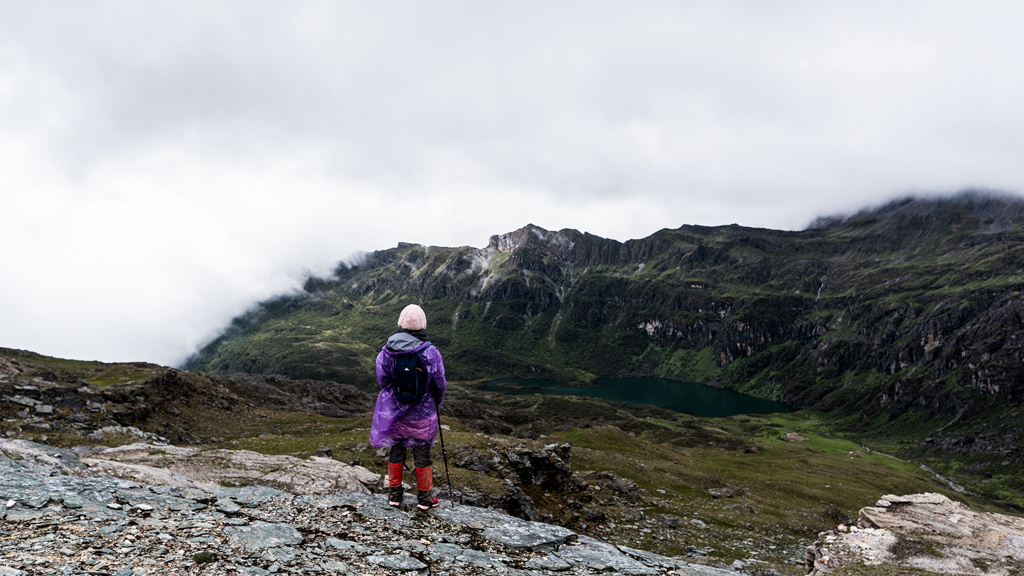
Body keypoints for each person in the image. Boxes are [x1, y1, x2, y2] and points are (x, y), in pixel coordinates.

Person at [369, 304, 447, 511]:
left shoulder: (387, 351)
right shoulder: (431, 351)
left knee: (396, 449)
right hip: (423, 413)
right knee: (422, 453)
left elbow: (383, 379)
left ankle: (394, 496)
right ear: (422, 325)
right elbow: (439, 383)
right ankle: (425, 499)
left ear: (401, 324)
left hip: (396, 412)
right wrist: (436, 401)